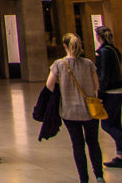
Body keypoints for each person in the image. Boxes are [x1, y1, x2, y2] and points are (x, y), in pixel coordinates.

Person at [48, 32, 104, 183]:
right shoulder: (88, 63)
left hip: (70, 111)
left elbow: (49, 85)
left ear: (65, 46)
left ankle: (83, 179)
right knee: (93, 142)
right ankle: (99, 175)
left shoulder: (59, 64)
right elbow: (96, 85)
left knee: (77, 144)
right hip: (90, 110)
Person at [95, 26, 122, 168]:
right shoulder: (114, 50)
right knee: (116, 123)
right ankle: (120, 156)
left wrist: (100, 94)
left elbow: (103, 76)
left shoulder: (104, 53)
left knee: (107, 124)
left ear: (98, 37)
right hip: (119, 90)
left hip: (110, 92)